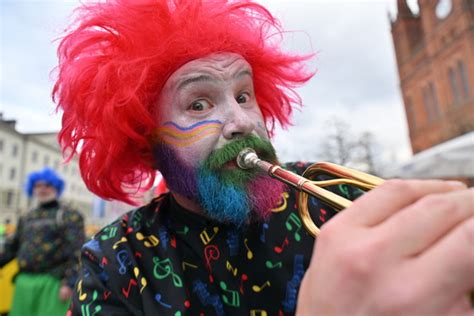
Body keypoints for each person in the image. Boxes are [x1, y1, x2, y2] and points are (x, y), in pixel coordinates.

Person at [53, 0, 473, 315]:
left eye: (243, 95)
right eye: (198, 105)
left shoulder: (332, 195)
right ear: (147, 141)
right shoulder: (112, 262)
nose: (240, 122)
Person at [0, 168, 86, 316]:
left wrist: (70, 283)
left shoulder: (68, 214)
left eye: (47, 185)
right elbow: (12, 248)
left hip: (53, 283)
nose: (42, 189)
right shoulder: (27, 216)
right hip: (24, 282)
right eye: (38, 185)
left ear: (56, 187)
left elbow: (77, 251)